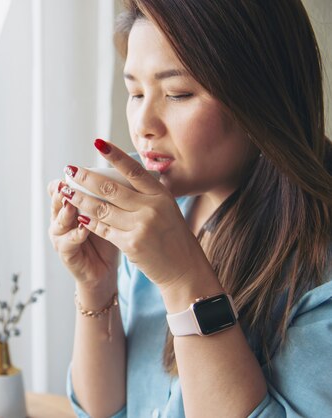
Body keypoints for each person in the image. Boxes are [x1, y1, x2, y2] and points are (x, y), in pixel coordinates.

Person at [47, 0, 332, 416]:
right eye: (135, 92)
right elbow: (103, 410)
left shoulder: (318, 271)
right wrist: (97, 285)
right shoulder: (159, 215)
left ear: (263, 98)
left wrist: (184, 280)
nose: (143, 124)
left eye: (177, 94)